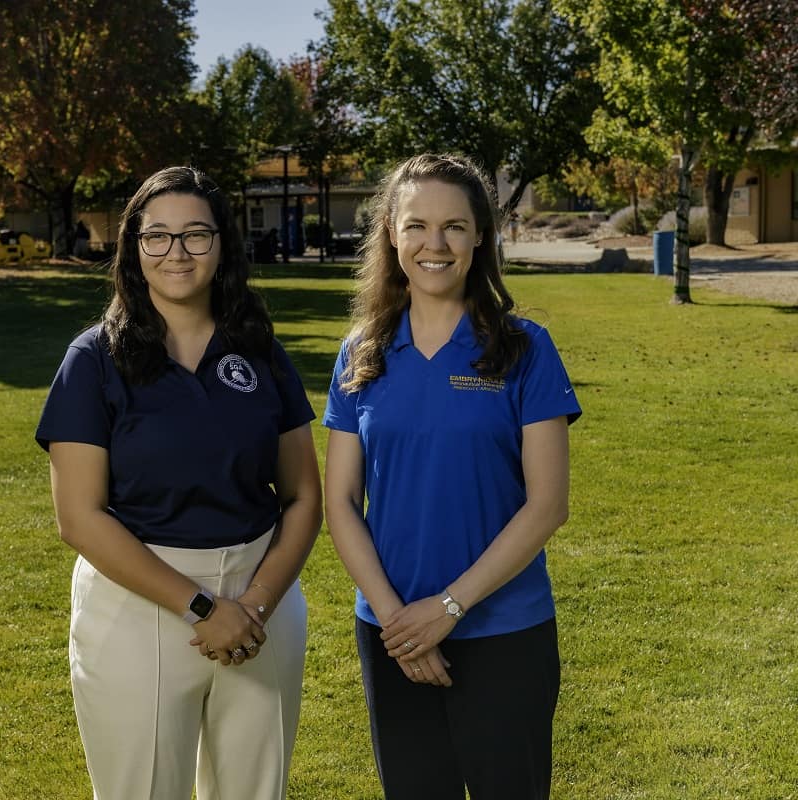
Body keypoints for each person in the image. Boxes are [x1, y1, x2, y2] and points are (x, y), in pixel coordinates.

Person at [35, 166, 322, 800]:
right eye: (156, 236)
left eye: (196, 234)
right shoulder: (92, 361)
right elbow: (78, 518)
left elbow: (303, 497)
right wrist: (201, 608)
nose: (177, 252)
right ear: (133, 249)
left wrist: (254, 607)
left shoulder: (260, 351)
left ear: (222, 246)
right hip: (138, 606)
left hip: (260, 604)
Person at [322, 153, 581, 800]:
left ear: (480, 238)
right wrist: (398, 624)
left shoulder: (525, 348)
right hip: (392, 634)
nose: (433, 245)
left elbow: (547, 505)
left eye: (454, 227)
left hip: (505, 633)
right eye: (416, 226)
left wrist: (447, 608)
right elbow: (340, 502)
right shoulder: (361, 354)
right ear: (390, 232)